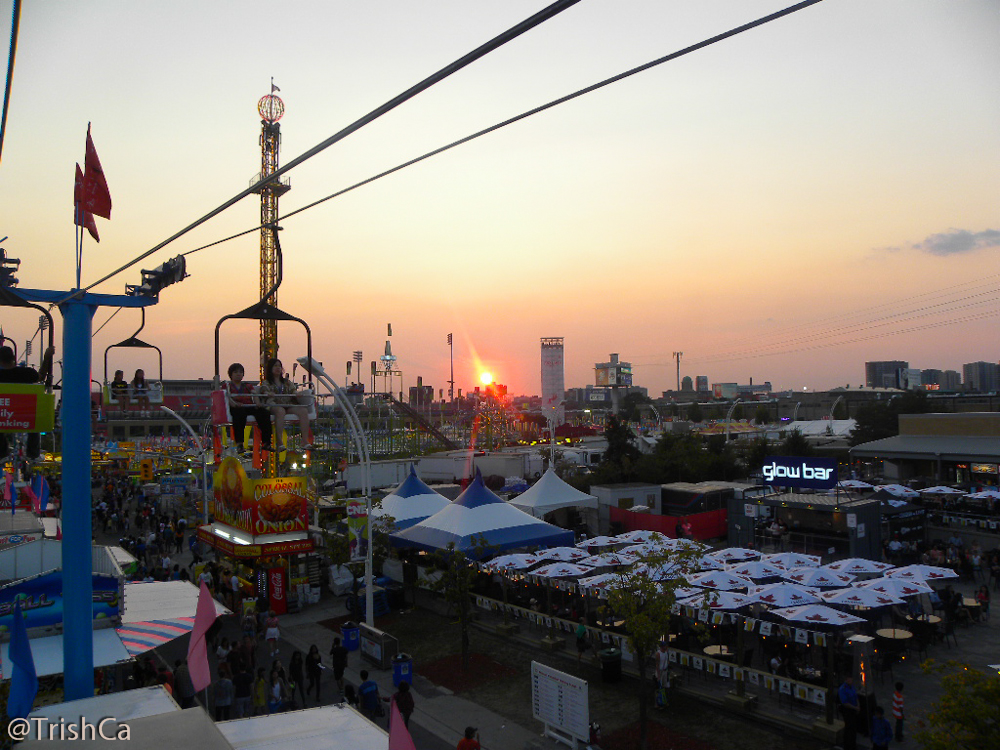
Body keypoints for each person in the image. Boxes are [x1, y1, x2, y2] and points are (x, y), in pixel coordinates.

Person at [0, 345, 53, 460]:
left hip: (4, 415)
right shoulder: (27, 373)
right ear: (14, 358)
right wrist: (46, 358)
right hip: (25, 417)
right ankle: (33, 453)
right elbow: (41, 377)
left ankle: (2, 452)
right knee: (35, 424)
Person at [260, 358, 314, 451]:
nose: (278, 368)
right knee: (280, 411)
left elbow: (294, 391)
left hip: (288, 404)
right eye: (275, 366)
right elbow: (264, 390)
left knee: (303, 411)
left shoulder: (287, 382)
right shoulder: (267, 382)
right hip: (274, 404)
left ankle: (305, 441)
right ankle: (279, 442)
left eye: (279, 366)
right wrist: (268, 393)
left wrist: (297, 394)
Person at [225, 363, 273, 455]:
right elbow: (227, 397)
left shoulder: (247, 386)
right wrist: (234, 404)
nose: (238, 374)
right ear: (231, 374)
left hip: (248, 405)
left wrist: (257, 402)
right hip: (236, 407)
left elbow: (254, 394)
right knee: (239, 415)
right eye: (236, 372)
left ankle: (266, 442)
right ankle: (239, 443)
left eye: (240, 372)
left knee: (264, 414)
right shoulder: (227, 386)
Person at [838, 675, 860, 750]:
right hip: (847, 710)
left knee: (853, 729)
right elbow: (845, 703)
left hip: (854, 708)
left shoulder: (851, 686)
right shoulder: (842, 689)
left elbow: (855, 696)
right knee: (848, 728)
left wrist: (858, 706)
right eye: (850, 680)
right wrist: (855, 708)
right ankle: (847, 746)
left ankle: (853, 745)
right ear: (846, 680)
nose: (851, 682)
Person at [653, 640, 671, 709]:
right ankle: (656, 703)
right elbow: (657, 665)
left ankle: (663, 701)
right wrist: (658, 676)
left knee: (664, 687)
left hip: (665, 671)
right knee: (658, 688)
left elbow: (667, 660)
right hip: (660, 672)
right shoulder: (658, 654)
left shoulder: (666, 652)